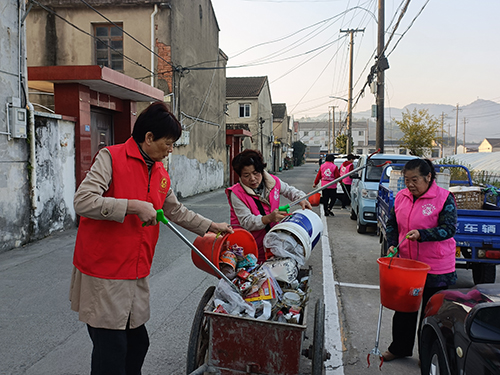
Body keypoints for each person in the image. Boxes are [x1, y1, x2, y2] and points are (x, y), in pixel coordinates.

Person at [69, 102, 233, 375]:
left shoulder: (159, 172)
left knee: (138, 344)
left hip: (135, 270)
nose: (171, 150)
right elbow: (83, 201)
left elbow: (175, 210)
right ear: (148, 138)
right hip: (105, 271)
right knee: (111, 351)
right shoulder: (111, 158)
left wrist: (210, 226)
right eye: (168, 143)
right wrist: (132, 206)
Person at [382, 158, 457, 362]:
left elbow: (449, 228)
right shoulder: (401, 197)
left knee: (431, 315)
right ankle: (399, 348)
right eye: (407, 180)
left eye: (415, 180)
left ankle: (428, 357)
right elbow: (392, 224)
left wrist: (423, 234)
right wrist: (391, 243)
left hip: (436, 267)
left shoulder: (444, 198)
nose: (410, 185)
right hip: (408, 265)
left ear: (429, 177)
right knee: (404, 310)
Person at [226, 149, 312, 262]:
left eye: (255, 173)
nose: (252, 178)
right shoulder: (236, 193)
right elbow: (246, 221)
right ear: (240, 176)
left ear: (261, 170)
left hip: (272, 242)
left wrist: (301, 198)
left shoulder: (273, 182)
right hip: (248, 248)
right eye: (246, 175)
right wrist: (269, 218)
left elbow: (289, 190)